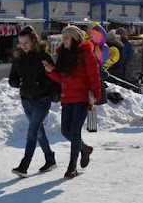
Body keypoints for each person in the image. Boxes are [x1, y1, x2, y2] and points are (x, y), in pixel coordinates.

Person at [44, 25, 102, 179]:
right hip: (67, 97)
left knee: (75, 132)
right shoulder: (63, 55)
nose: (63, 41)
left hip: (82, 98)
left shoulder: (85, 54)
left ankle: (72, 166)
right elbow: (62, 79)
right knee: (65, 131)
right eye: (63, 38)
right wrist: (51, 71)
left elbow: (94, 75)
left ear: (75, 39)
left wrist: (95, 95)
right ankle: (84, 148)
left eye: (66, 38)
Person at [9, 26, 60, 178]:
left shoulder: (43, 56)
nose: (23, 45)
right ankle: (50, 159)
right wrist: (15, 82)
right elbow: (13, 78)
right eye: (21, 43)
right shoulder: (19, 57)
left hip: (42, 100)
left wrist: (43, 86)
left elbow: (55, 77)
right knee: (38, 131)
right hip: (26, 100)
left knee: (32, 132)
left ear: (33, 41)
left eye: (26, 42)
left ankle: (24, 165)